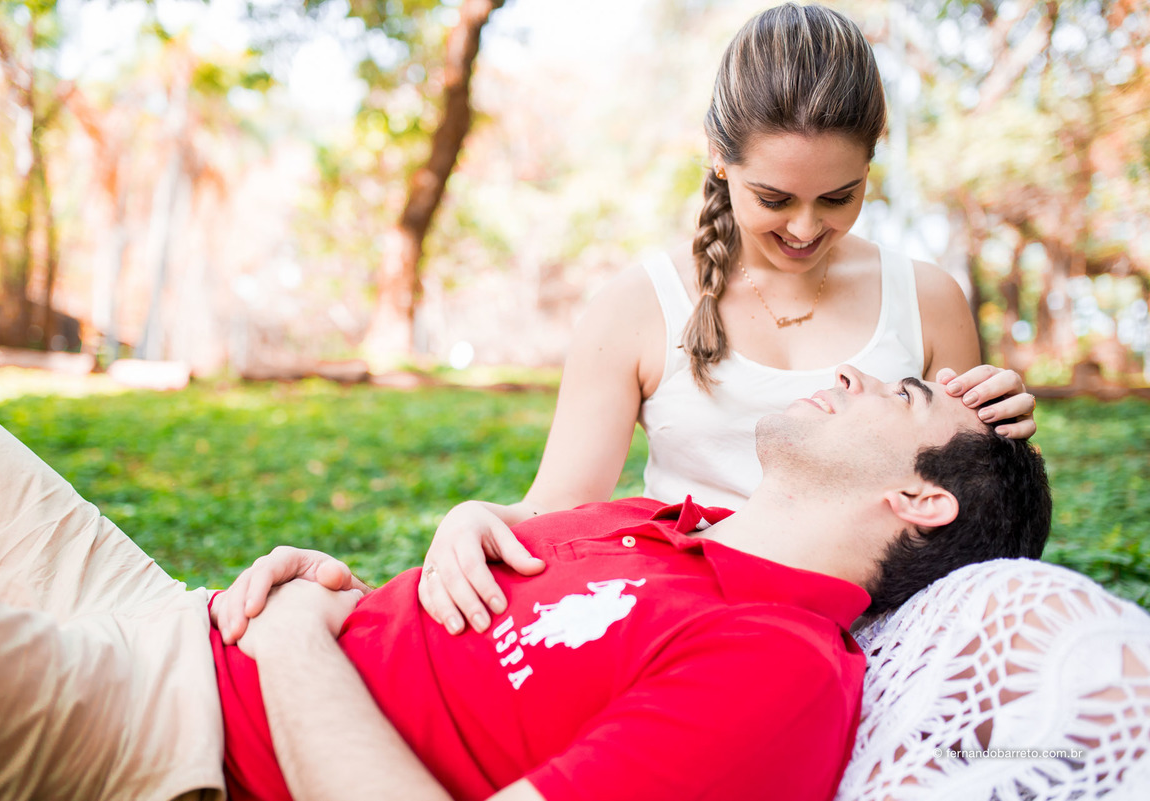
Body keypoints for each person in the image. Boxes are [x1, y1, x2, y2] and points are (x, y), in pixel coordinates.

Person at [0, 366, 1052, 801]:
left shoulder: (778, 671)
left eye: (902, 393)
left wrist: (293, 637)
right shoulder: (654, 521)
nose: (857, 373)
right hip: (164, 609)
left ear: (921, 502)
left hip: (166, 737)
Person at [416, 1, 1040, 638]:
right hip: (691, 625)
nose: (804, 228)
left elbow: (966, 514)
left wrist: (1004, 425)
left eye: (838, 197)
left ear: (868, 164)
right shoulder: (636, 308)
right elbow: (561, 507)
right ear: (719, 156)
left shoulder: (925, 297)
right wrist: (472, 516)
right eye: (774, 198)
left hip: (882, 631)